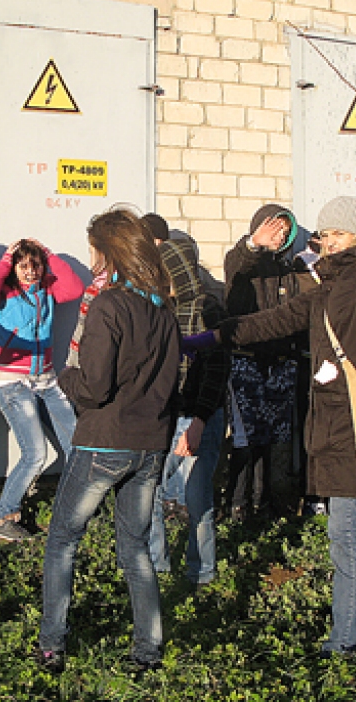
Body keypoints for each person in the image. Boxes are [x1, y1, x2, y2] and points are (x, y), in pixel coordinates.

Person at [186, 197, 356, 658]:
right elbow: (273, 320)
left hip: (355, 420)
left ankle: (344, 643)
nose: (330, 243)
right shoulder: (329, 285)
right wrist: (213, 337)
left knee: (345, 533)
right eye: (326, 235)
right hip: (335, 418)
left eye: (341, 235)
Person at [37, 208, 180, 674]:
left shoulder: (109, 305)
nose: (91, 257)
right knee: (135, 547)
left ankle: (52, 645)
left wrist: (66, 377)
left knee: (62, 540)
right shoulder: (162, 308)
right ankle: (148, 650)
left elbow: (94, 387)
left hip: (105, 442)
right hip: (150, 444)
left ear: (108, 252)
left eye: (94, 249)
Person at [0, 238, 84, 542]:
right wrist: (7, 260)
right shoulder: (5, 292)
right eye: (24, 266)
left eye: (35, 265)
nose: (31, 272)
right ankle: (2, 517)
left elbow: (74, 289)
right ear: (14, 268)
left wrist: (48, 253)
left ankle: (72, 513)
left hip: (46, 380)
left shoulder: (47, 289)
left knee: (77, 445)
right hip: (13, 382)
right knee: (35, 453)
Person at [141, 213, 229, 589]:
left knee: (197, 498)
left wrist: (199, 422)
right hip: (164, 415)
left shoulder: (208, 309)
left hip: (198, 417)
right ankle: (157, 569)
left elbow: (216, 372)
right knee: (151, 492)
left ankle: (202, 574)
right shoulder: (159, 310)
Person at [223, 204, 311, 519]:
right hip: (247, 360)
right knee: (246, 436)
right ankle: (238, 502)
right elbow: (236, 265)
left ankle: (268, 501)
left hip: (282, 363)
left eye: (285, 234)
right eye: (274, 232)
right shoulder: (243, 262)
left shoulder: (291, 270)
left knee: (276, 436)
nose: (279, 239)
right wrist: (253, 243)